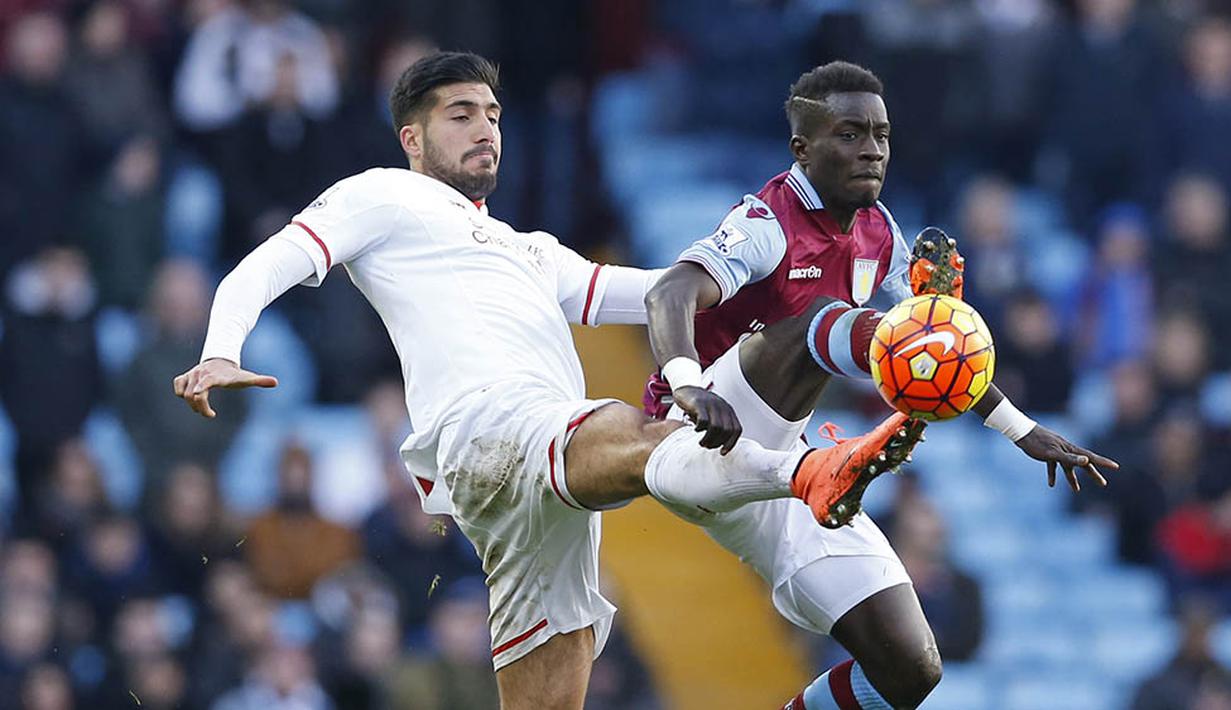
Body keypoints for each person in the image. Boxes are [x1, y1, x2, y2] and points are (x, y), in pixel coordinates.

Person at [172, 52, 924, 709]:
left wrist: (779, 265)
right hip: (491, 428)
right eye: (460, 114)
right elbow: (273, 259)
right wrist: (220, 346)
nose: (484, 129)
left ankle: (796, 471)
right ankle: (806, 471)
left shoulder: (528, 250)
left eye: (493, 114)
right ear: (411, 138)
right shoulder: (383, 196)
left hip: (543, 498)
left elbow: (662, 289)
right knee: (637, 429)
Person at [642, 61, 1118, 709]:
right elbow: (670, 290)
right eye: (849, 133)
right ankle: (855, 439)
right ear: (801, 148)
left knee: (910, 668)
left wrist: (1021, 429)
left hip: (781, 463)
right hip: (696, 430)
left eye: (881, 135)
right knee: (826, 320)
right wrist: (683, 380)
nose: (871, 149)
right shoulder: (765, 222)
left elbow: (927, 348)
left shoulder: (878, 231)